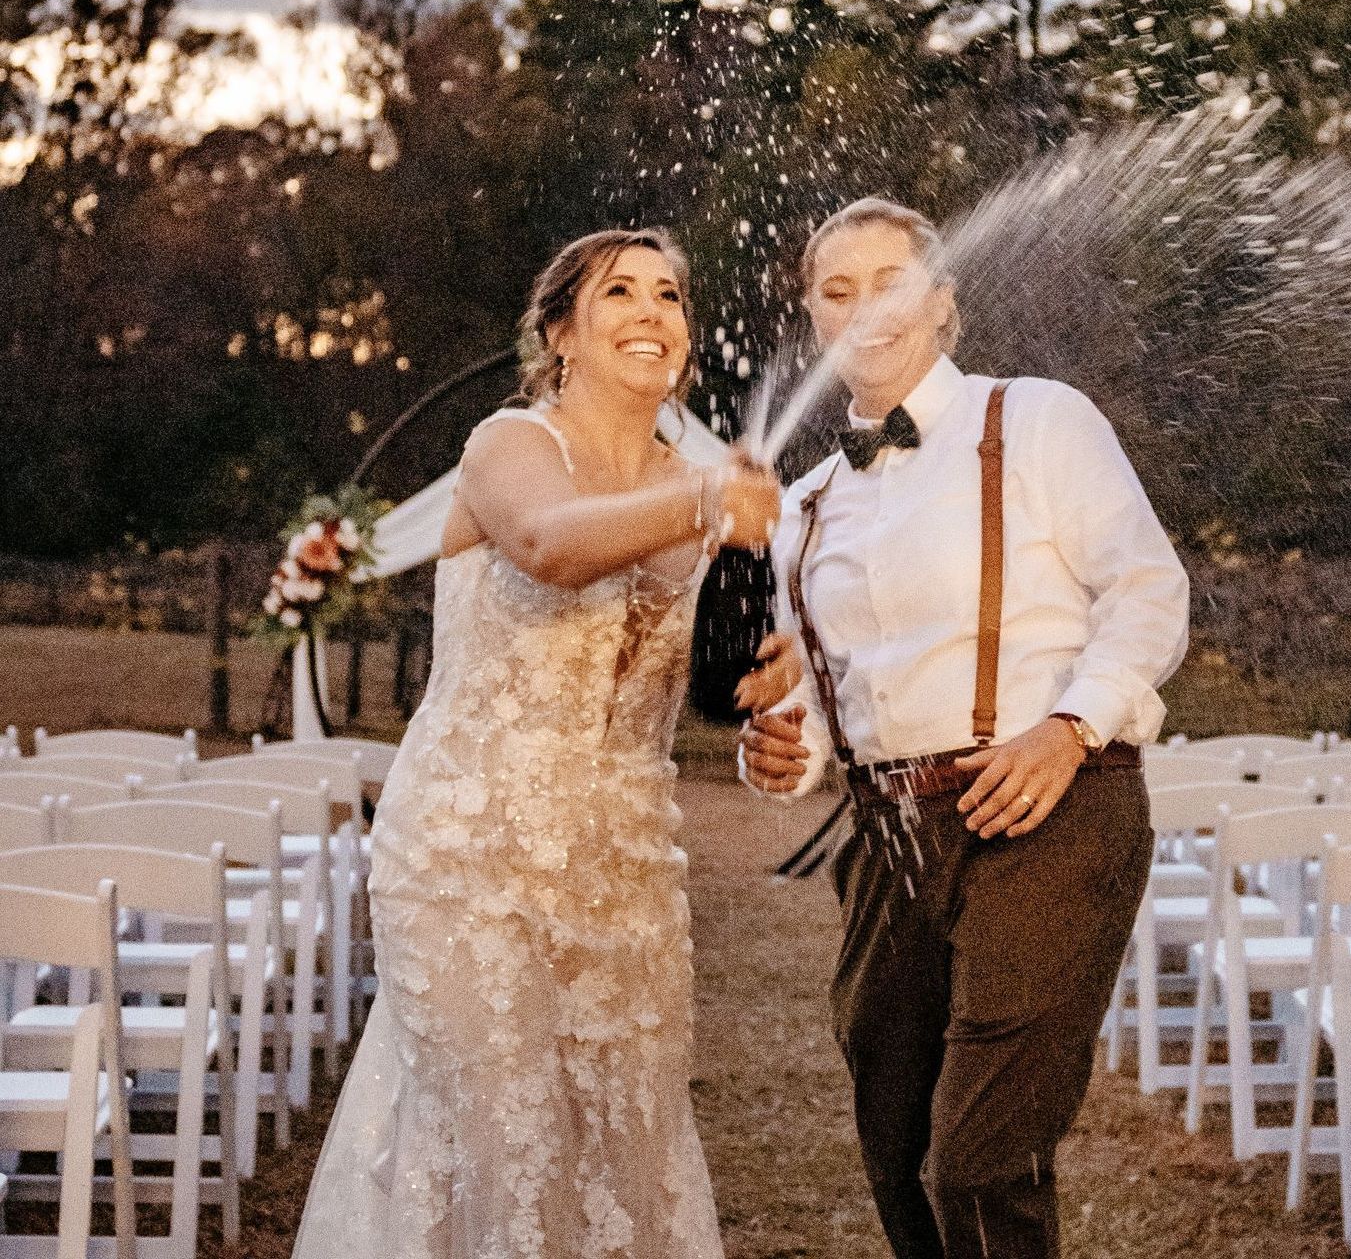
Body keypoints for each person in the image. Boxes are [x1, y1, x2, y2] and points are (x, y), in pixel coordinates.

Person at [293, 228, 780, 1259]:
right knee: (502, 1137)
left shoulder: (697, 478)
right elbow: (550, 546)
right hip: (470, 858)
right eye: (619, 293)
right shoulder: (510, 447)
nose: (653, 313)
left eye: (669, 297)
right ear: (559, 331)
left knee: (622, 1145)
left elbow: (737, 670)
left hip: (627, 871)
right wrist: (701, 497)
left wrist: (783, 722)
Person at [740, 197, 1190, 1259]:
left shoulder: (1035, 419)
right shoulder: (801, 506)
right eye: (836, 292)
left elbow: (1147, 592)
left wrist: (1068, 728)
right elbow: (815, 713)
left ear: (942, 305)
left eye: (890, 284)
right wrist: (781, 755)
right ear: (813, 317)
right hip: (887, 844)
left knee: (980, 1160)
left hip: (1048, 813)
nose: (865, 311)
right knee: (895, 1146)